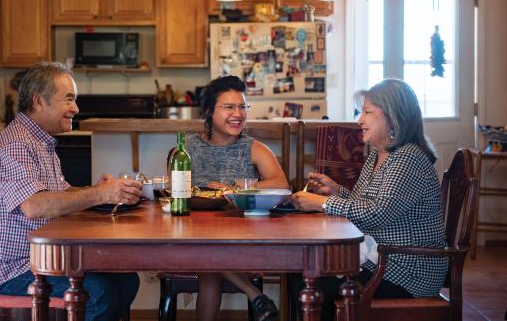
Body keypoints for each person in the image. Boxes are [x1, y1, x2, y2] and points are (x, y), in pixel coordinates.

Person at [0, 62, 143, 321]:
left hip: (38, 259)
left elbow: (61, 194)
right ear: (39, 101)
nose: (76, 108)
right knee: (100, 293)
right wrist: (101, 194)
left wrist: (98, 189)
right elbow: (35, 205)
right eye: (69, 99)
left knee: (126, 281)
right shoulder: (17, 144)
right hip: (10, 270)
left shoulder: (40, 141)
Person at [289, 79, 448, 320]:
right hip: (382, 260)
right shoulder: (379, 152)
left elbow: (376, 215)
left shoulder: (407, 158)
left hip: (406, 271)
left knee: (309, 281)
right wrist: (335, 191)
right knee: (301, 273)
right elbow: (364, 203)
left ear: (392, 117)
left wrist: (320, 203)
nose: (359, 121)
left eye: (367, 112)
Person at [187, 75, 288, 321]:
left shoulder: (253, 147)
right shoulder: (189, 149)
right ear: (210, 112)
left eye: (242, 106)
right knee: (206, 256)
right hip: (195, 234)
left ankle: (255, 296)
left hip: (242, 235)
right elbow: (178, 190)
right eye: (229, 107)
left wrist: (232, 189)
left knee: (207, 261)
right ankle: (256, 296)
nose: (238, 114)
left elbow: (282, 184)